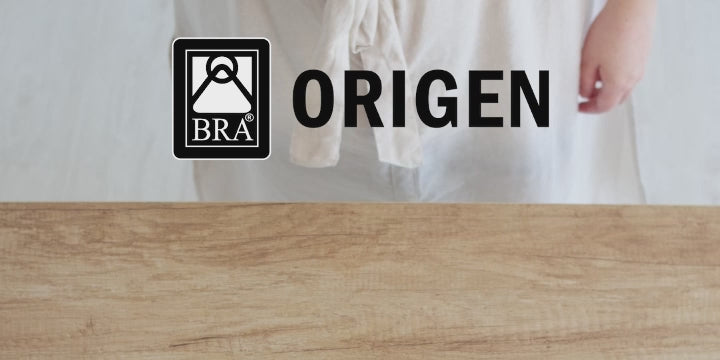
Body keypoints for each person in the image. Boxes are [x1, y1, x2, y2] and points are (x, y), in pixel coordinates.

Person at [173, 0, 657, 203]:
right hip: (266, 19)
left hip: (498, 22)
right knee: (253, 195)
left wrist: (633, 7)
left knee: (528, 189)